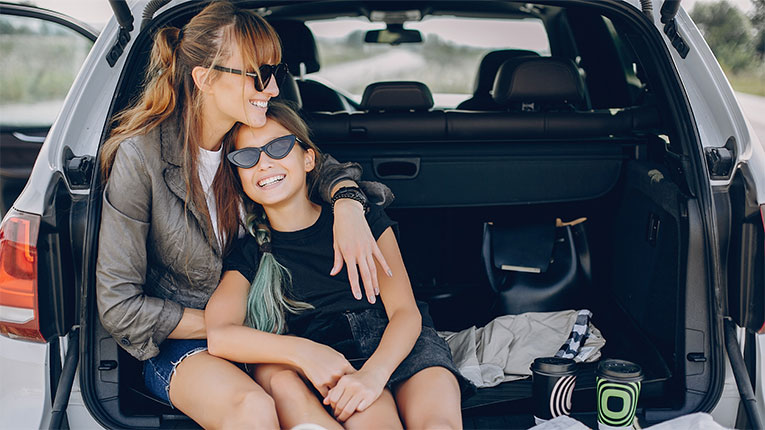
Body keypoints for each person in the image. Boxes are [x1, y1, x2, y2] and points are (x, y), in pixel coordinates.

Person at [95, 2, 392, 428]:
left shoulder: (253, 135)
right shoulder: (140, 157)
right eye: (258, 75)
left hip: (279, 332)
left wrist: (347, 203)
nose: (272, 89)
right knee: (252, 409)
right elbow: (120, 307)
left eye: (275, 73)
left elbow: (325, 168)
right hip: (190, 344)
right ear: (205, 79)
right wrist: (246, 329)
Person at [205, 103, 471, 430]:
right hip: (334, 360)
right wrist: (303, 352)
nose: (264, 163)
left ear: (308, 159)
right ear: (238, 176)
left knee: (439, 426)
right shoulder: (250, 252)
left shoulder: (361, 219)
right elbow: (220, 336)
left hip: (401, 346)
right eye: (247, 157)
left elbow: (405, 311)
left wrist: (374, 375)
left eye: (278, 147)